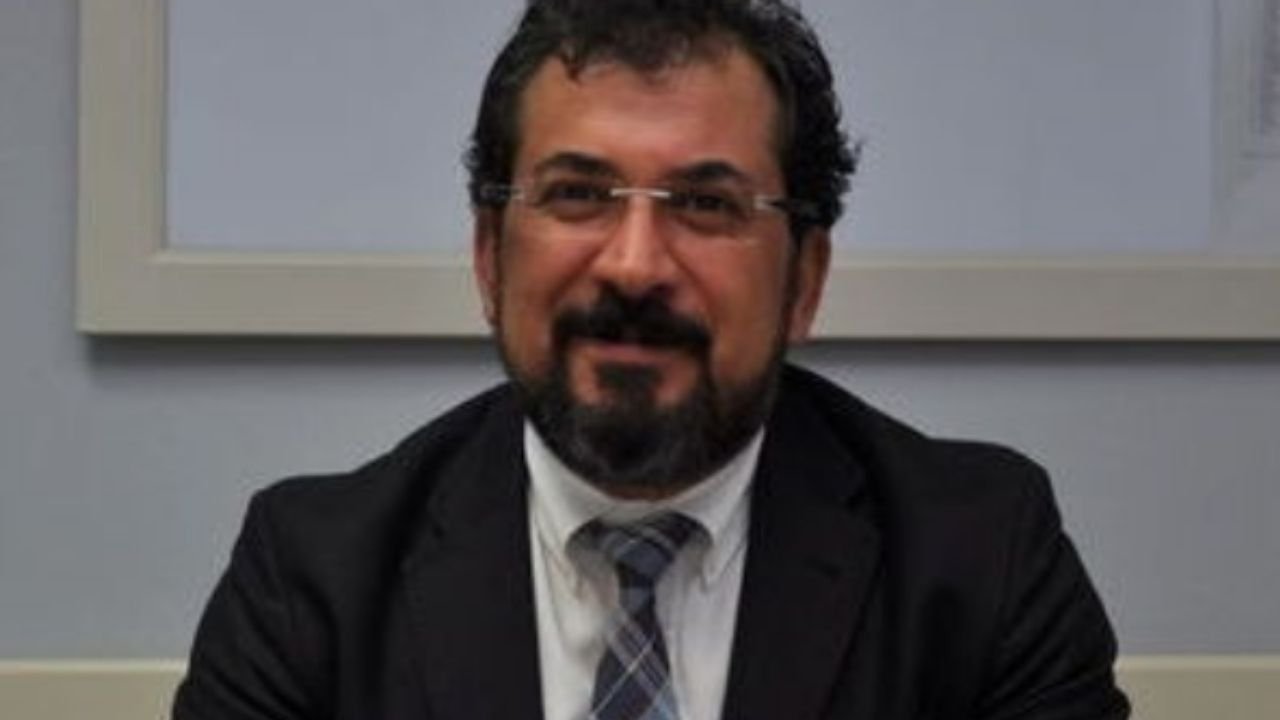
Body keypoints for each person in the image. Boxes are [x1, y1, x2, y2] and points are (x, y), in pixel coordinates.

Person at [173, 1, 1130, 718]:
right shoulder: (313, 580)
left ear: (805, 278)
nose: (634, 265)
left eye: (707, 205)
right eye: (578, 194)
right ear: (489, 257)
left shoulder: (980, 560)